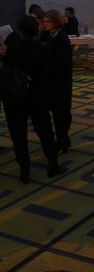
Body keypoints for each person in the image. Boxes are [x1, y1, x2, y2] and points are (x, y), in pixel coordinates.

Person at [1, 15, 66, 182]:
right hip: (37, 95)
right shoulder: (42, 48)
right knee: (45, 130)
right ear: (36, 29)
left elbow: (8, 70)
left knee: (18, 134)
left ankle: (24, 170)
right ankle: (52, 163)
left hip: (14, 97)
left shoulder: (12, 49)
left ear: (19, 31)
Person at [42, 10, 73, 154]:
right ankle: (62, 139)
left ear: (55, 22)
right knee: (55, 112)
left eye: (47, 21)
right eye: (44, 21)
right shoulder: (45, 35)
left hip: (61, 81)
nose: (44, 24)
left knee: (63, 112)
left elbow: (62, 61)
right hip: (50, 81)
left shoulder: (62, 38)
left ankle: (63, 138)